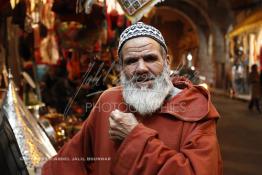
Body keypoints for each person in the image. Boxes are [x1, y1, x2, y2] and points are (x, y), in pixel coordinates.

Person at [42, 22, 222, 175]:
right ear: (121, 67)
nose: (141, 68)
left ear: (167, 62)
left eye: (150, 58)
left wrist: (134, 137)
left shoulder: (196, 109)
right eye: (131, 61)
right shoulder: (109, 101)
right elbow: (72, 159)